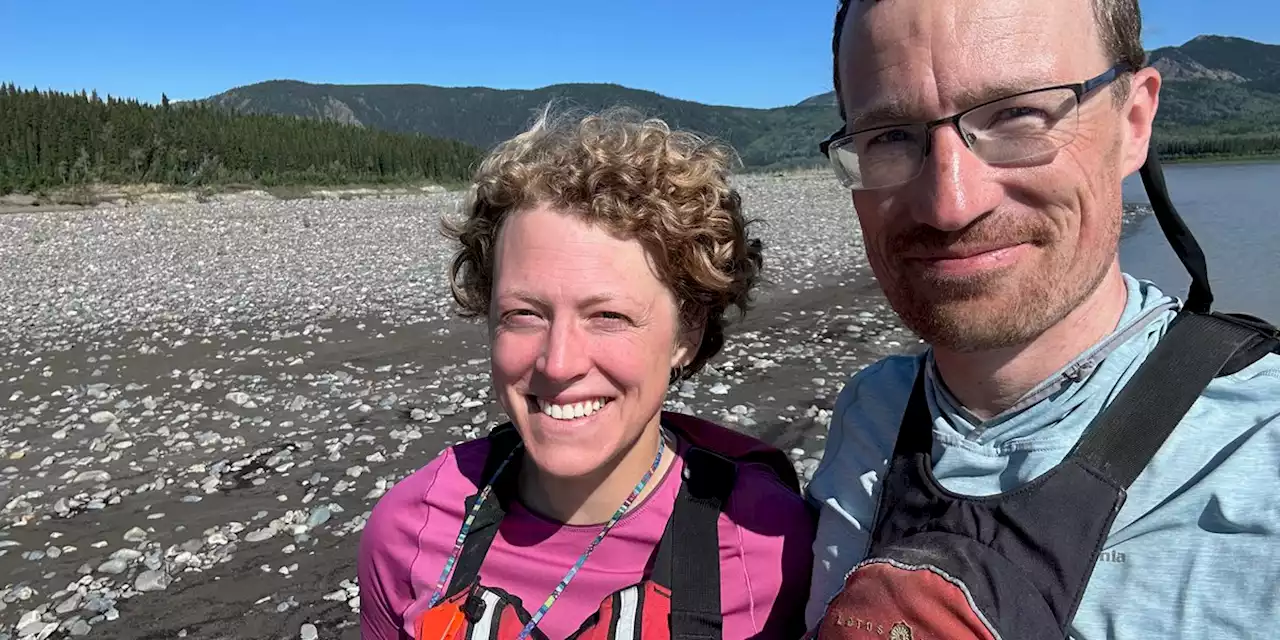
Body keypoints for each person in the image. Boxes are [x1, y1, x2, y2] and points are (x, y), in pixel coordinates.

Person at [803, 0, 1280, 638]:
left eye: (1019, 114)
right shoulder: (869, 411)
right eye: (890, 134)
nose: (951, 204)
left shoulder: (1260, 451)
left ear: (1133, 122)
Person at [358, 106, 816, 640]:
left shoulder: (773, 546)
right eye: (523, 314)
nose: (558, 363)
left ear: (687, 332)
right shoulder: (408, 529)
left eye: (609, 317)